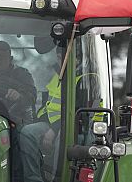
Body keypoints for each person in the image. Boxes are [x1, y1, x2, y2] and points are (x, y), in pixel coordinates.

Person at [19, 44, 104, 182]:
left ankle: (59, 179)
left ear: (78, 58)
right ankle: (33, 178)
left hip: (80, 126)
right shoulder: (59, 76)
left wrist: (53, 131)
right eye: (59, 56)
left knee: (62, 140)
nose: (61, 60)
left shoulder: (87, 78)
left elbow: (78, 113)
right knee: (27, 132)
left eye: (65, 56)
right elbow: (50, 105)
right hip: (54, 123)